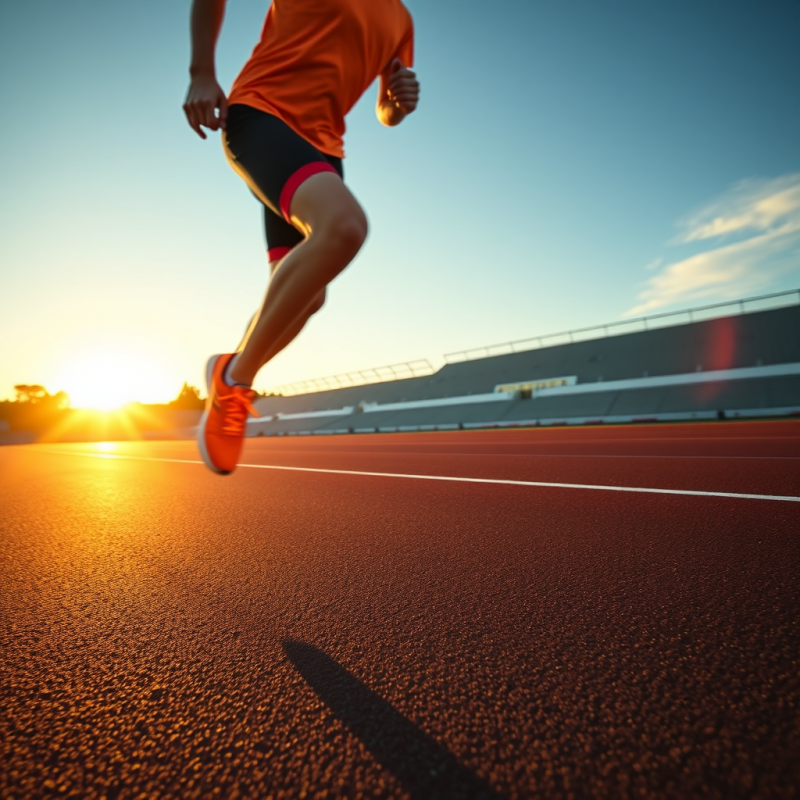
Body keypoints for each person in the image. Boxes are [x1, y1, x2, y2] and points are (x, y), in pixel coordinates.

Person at [183, 0, 419, 475]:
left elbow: (385, 109)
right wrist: (201, 72)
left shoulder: (401, 21)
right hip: (262, 115)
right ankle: (235, 379)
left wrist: (397, 105)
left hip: (325, 148)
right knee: (344, 225)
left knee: (308, 300)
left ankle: (231, 373)